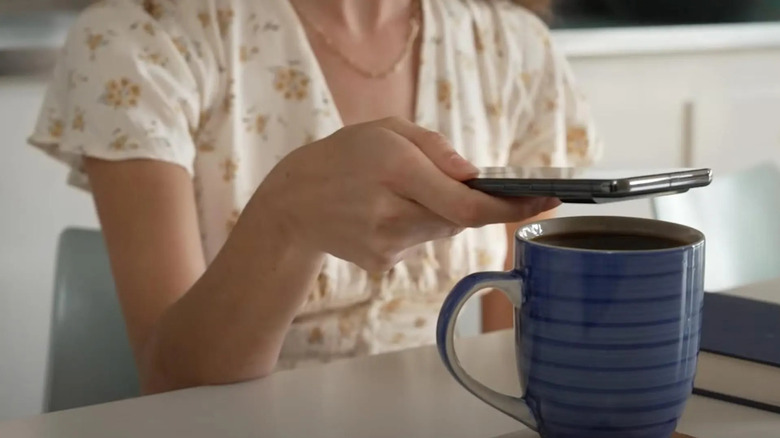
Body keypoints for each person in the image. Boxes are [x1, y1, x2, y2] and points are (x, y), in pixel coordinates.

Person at [27, 0, 600, 394]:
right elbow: (172, 385)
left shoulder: (513, 49)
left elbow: (513, 354)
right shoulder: (142, 41)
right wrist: (285, 220)